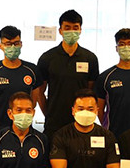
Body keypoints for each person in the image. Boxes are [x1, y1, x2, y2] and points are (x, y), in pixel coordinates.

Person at [37, 10, 99, 138]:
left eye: (75, 28)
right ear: (60, 30)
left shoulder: (90, 58)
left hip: (82, 122)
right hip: (54, 124)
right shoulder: (47, 58)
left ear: (80, 30)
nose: (71, 31)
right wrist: (48, 114)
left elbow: (91, 91)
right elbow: (39, 92)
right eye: (67, 28)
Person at [50, 89, 119, 168]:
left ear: (97, 111)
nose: (85, 113)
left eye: (90, 109)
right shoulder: (61, 136)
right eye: (81, 109)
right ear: (73, 111)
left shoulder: (108, 136)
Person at [0, 26, 42, 137]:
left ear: (21, 44)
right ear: (1, 46)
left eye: (16, 43)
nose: (13, 47)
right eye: (8, 44)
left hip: (24, 128)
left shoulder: (32, 70)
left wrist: (22, 118)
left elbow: (33, 101)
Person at [0, 92, 49, 168]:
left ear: (33, 113)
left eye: (28, 110)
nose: (24, 114)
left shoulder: (42, 140)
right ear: (10, 114)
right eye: (19, 110)